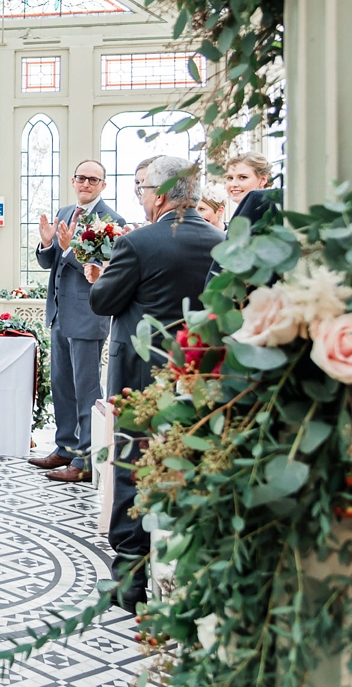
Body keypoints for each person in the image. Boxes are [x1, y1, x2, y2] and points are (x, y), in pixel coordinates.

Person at [85, 155, 224, 613]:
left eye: (144, 191)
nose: (141, 199)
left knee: (132, 465)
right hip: (197, 376)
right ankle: (185, 577)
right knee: (186, 465)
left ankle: (128, 580)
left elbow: (104, 301)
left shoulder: (140, 242)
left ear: (160, 195)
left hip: (139, 377)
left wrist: (100, 277)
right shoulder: (221, 241)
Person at [30, 159, 124, 483]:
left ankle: (84, 460)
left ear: (103, 184)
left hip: (88, 315)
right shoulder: (65, 212)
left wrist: (70, 251)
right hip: (58, 313)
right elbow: (50, 261)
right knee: (61, 386)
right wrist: (46, 243)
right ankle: (65, 446)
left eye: (93, 179)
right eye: (81, 178)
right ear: (73, 181)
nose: (86, 184)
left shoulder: (112, 221)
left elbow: (101, 270)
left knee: (86, 389)